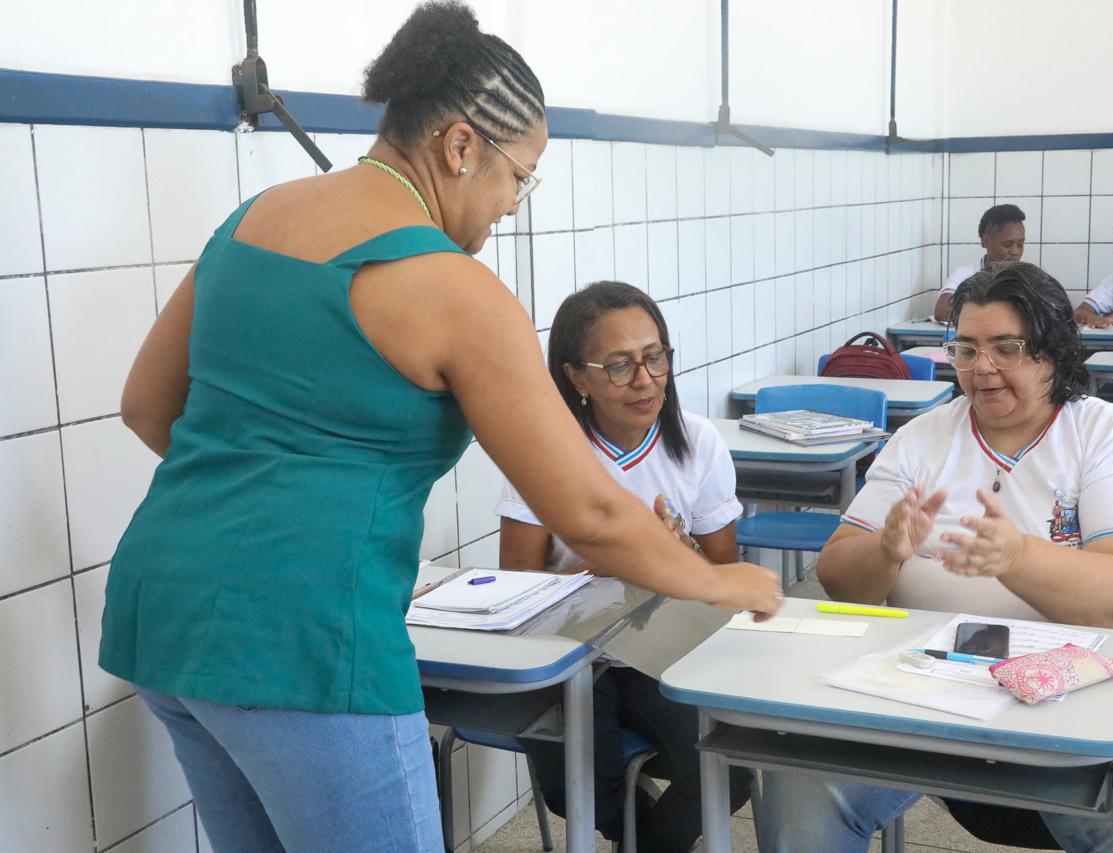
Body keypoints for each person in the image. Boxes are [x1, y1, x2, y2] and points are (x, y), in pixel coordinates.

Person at [97, 4, 780, 852]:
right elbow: (590, 514)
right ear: (461, 147)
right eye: (518, 177)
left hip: (162, 611)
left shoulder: (252, 220)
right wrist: (721, 583)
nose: (512, 205)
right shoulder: (451, 286)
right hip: (311, 637)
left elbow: (146, 407)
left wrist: (270, 501)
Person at [759, 263, 1113, 853]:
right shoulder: (922, 438)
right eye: (967, 349)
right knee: (801, 786)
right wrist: (885, 549)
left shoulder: (1106, 436)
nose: (983, 368)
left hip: (1101, 677)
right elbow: (841, 581)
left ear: (1054, 352)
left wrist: (1016, 556)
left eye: (1008, 348)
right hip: (925, 672)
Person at [496, 281, 753, 852]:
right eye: (618, 366)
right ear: (576, 377)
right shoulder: (546, 449)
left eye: (654, 357)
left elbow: (722, 581)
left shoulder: (698, 443)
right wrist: (604, 560)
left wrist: (673, 558)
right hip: (566, 649)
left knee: (729, 770)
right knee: (576, 786)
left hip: (661, 643)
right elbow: (514, 586)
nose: (644, 380)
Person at [932, 203, 1026, 321]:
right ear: (986, 241)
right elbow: (942, 311)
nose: (1015, 252)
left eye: (1020, 244)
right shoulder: (966, 274)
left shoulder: (1027, 277)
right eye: (1008, 245)